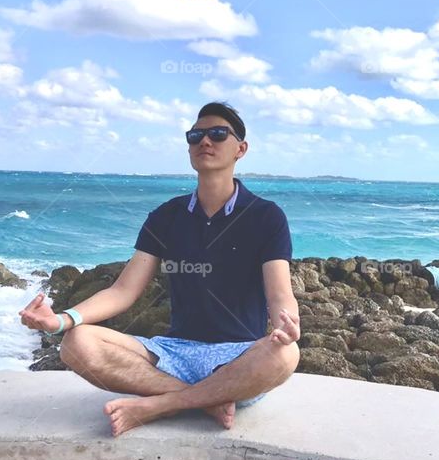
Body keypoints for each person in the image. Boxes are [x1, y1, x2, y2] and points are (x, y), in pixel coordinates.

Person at [18, 101, 300, 437]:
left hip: (237, 356)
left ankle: (161, 405)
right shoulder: (167, 216)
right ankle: (204, 401)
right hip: (173, 353)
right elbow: (123, 291)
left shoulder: (266, 216)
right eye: (195, 135)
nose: (204, 141)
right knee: (75, 344)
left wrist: (286, 324)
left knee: (285, 355)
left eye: (217, 134)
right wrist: (61, 320)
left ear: (241, 149)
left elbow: (279, 294)